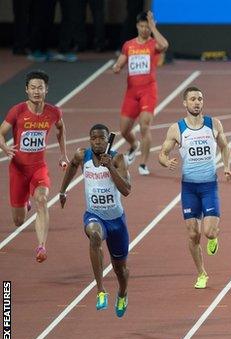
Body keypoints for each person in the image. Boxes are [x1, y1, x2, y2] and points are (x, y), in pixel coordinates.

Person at [159, 87, 231, 288]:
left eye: (200, 98)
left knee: (208, 232)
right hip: (189, 188)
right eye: (192, 99)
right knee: (192, 234)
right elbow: (162, 153)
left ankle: (213, 237)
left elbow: (225, 146)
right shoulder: (177, 129)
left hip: (209, 186)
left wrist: (226, 167)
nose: (197, 102)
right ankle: (201, 273)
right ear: (185, 103)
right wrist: (166, 162)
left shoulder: (213, 124)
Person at [59, 124, 131, 317]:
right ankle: (100, 290)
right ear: (90, 140)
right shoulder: (83, 155)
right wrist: (62, 190)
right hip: (94, 214)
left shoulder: (117, 158)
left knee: (120, 270)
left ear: (108, 140)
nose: (97, 141)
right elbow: (73, 166)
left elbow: (126, 190)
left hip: (116, 221)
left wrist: (110, 168)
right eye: (94, 138)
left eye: (101, 138)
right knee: (95, 236)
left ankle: (122, 293)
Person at [0, 70, 69, 262]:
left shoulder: (54, 112)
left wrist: (63, 154)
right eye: (33, 88)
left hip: (39, 167)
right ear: (26, 90)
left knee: (42, 199)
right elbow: (1, 132)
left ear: (46, 89)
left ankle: (41, 246)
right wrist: (5, 147)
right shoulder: (17, 111)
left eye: (40, 87)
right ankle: (25, 203)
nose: (36, 91)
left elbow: (61, 129)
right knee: (18, 221)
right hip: (18, 169)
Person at [113, 10, 169, 176]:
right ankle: (134, 145)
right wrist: (116, 67)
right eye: (142, 26)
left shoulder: (153, 45)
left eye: (147, 27)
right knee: (124, 130)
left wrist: (154, 27)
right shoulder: (129, 45)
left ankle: (143, 164)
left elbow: (165, 45)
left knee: (145, 126)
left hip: (148, 91)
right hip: (131, 92)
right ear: (137, 26)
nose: (145, 29)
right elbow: (120, 62)